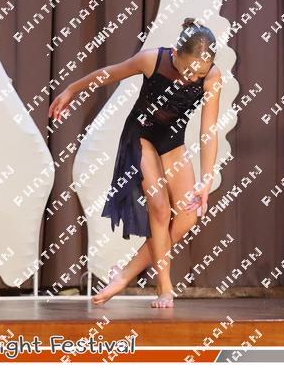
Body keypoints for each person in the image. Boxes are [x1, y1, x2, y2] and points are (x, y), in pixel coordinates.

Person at [48, 17, 222, 308]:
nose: (193, 78)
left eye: (200, 73)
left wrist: (207, 179)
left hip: (172, 142)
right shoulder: (152, 60)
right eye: (189, 71)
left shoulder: (212, 77)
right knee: (160, 209)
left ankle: (125, 274)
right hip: (140, 136)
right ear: (176, 54)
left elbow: (209, 131)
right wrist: (71, 90)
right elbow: (109, 73)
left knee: (188, 217)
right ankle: (165, 287)